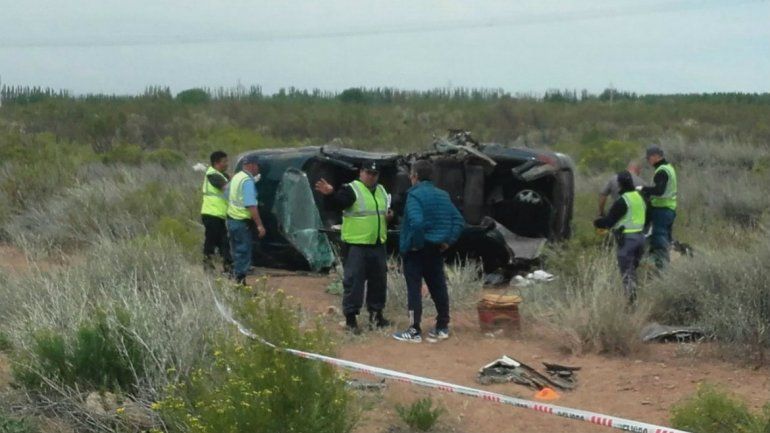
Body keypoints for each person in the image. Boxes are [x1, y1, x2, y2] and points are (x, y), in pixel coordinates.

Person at [315, 160, 392, 334]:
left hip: (377, 243)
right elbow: (335, 205)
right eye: (368, 173)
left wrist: (389, 216)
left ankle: (376, 316)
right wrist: (329, 194)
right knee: (354, 282)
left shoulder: (381, 190)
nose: (371, 177)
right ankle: (351, 320)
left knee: (379, 282)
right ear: (361, 173)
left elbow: (381, 212)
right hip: (357, 246)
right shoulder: (351, 190)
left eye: (374, 174)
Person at [392, 160, 465, 343]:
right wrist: (448, 241)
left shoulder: (414, 195)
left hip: (416, 250)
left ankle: (414, 330)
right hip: (436, 249)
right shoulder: (442, 195)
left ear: (415, 176)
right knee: (438, 287)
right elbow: (458, 220)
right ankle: (442, 326)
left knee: (414, 290)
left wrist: (416, 243)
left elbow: (416, 223)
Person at [594, 171, 647, 303]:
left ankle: (631, 304)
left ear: (619, 185)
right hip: (641, 239)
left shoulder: (623, 201)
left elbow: (609, 222)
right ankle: (634, 300)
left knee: (627, 274)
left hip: (628, 241)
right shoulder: (639, 197)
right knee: (632, 271)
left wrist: (597, 222)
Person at [227, 154, 266, 285]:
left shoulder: (237, 177)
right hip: (242, 222)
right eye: (257, 165)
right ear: (251, 165)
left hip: (232, 220)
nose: (258, 168)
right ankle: (240, 283)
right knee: (243, 252)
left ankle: (235, 280)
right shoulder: (247, 181)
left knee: (236, 252)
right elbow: (251, 205)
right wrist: (259, 225)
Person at [638, 146, 677, 270]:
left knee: (659, 240)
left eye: (649, 158)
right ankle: (666, 267)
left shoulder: (662, 171)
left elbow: (659, 191)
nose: (648, 160)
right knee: (665, 240)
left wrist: (643, 189)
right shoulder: (669, 168)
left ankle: (663, 271)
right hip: (669, 209)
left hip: (661, 210)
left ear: (656, 156)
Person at [201, 151, 233, 274]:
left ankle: (228, 266)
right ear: (216, 163)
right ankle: (208, 265)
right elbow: (227, 188)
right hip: (211, 213)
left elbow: (231, 178)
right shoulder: (213, 175)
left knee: (223, 242)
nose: (227, 164)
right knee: (211, 240)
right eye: (224, 161)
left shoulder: (220, 175)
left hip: (218, 214)